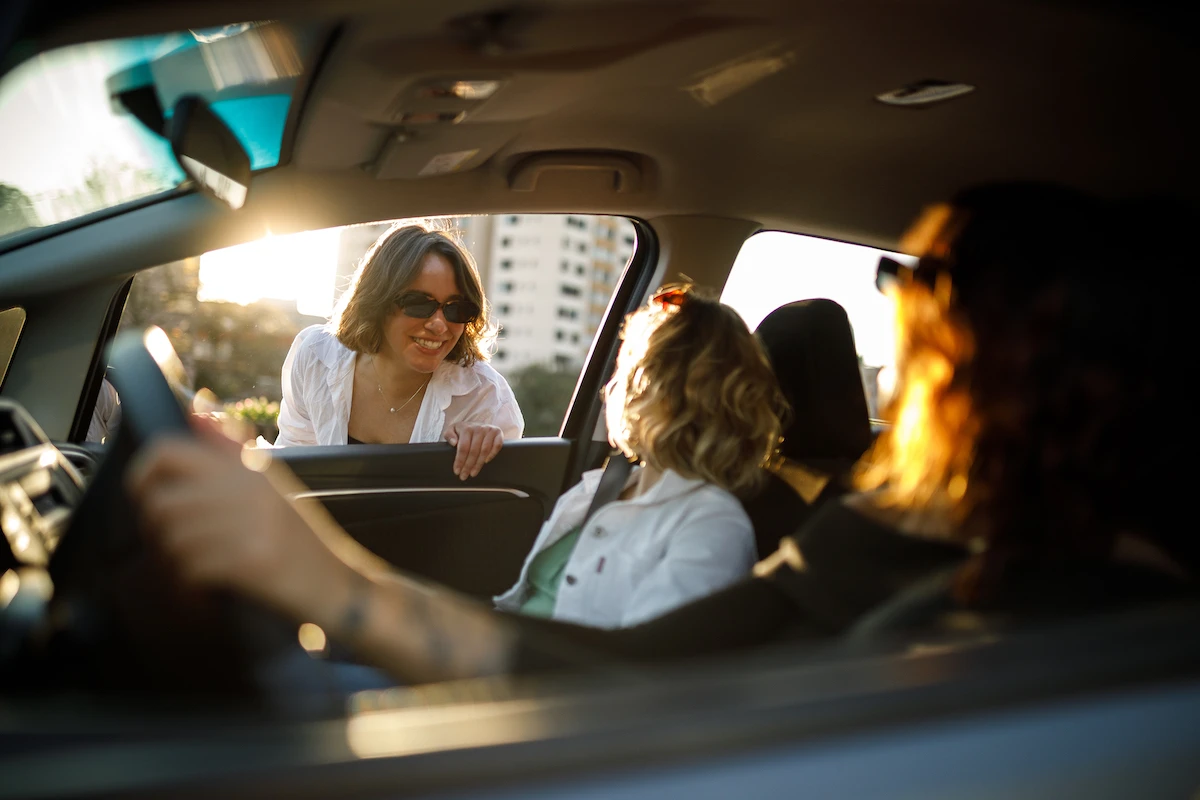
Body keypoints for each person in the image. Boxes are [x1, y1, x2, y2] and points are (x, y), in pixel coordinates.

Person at [128, 183, 1194, 686]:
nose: (904, 391)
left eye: (934, 357)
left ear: (1019, 386)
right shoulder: (899, 551)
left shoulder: (1082, 632)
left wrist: (329, 583)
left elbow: (634, 676)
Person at [494, 285, 788, 627]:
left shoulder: (712, 525)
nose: (614, 386)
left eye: (629, 368)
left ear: (664, 392)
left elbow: (642, 658)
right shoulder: (599, 489)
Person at [273, 222, 524, 480]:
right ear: (377, 302)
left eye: (456, 309)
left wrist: (487, 450)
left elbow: (492, 508)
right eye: (418, 303)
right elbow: (291, 472)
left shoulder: (486, 398)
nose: (439, 324)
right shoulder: (316, 356)